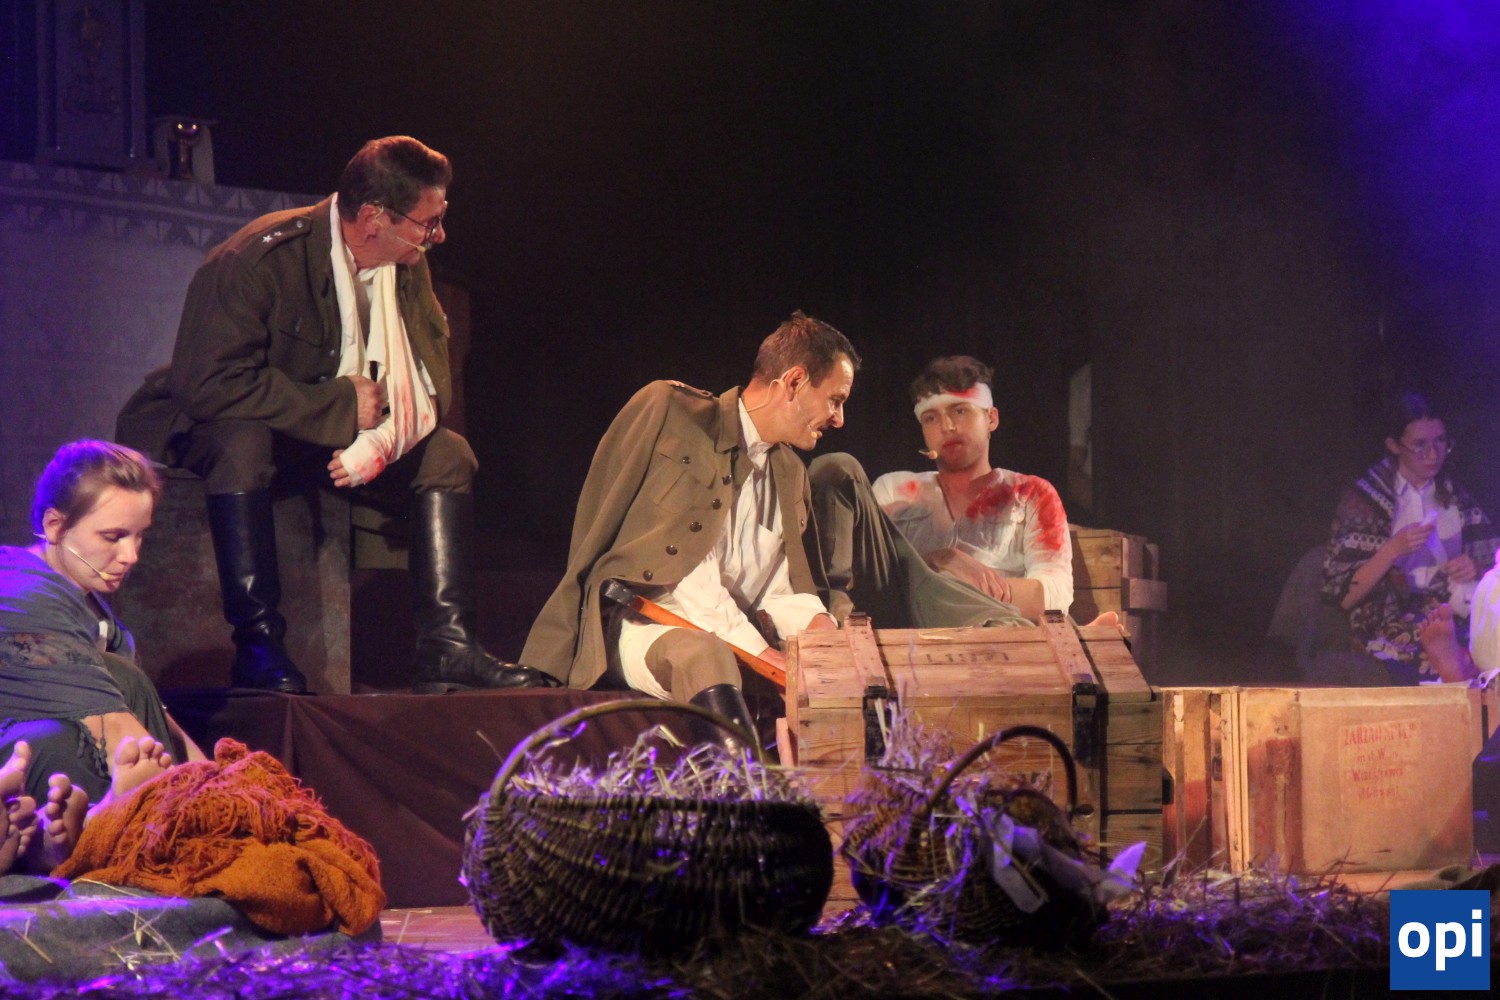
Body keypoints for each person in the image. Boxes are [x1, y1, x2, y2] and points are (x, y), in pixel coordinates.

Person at [115, 136, 555, 695]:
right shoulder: (258, 259)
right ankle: (258, 645)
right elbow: (208, 385)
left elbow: (428, 383)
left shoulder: (405, 265)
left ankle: (446, 648)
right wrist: (340, 407)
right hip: (217, 424)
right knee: (244, 443)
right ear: (373, 217)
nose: (438, 236)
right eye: (428, 223)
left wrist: (381, 440)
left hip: (330, 438)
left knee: (448, 456)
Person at [520, 312, 860, 749]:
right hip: (644, 621)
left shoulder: (790, 472)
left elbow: (775, 590)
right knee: (705, 653)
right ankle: (742, 788)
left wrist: (818, 630)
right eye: (835, 400)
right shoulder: (675, 414)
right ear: (793, 382)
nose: (839, 419)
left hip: (734, 631)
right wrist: (765, 656)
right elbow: (687, 578)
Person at [0, 441, 206, 869]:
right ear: (55, 525)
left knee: (126, 678)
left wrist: (219, 781)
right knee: (51, 740)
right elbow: (119, 732)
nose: (131, 556)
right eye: (113, 537)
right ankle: (96, 830)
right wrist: (200, 808)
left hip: (83, 761)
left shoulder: (96, 612)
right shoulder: (22, 589)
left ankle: (92, 830)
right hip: (17, 763)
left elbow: (159, 724)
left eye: (139, 535)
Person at [807, 356, 1067, 628]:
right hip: (905, 629)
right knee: (838, 468)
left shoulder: (1029, 493)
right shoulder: (894, 489)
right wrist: (940, 560)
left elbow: (1055, 596)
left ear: (991, 418)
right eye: (931, 418)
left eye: (960, 411)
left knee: (1005, 626)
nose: (947, 427)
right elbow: (868, 573)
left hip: (993, 631)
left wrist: (965, 586)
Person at [1323, 392, 1498, 684]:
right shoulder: (1368, 500)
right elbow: (1343, 596)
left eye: (1440, 441)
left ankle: (1456, 663)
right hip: (1393, 617)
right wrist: (1393, 549)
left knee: (1491, 643)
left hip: (1455, 610)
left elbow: (1491, 560)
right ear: (1394, 445)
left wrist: (1474, 568)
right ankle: (1452, 665)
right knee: (1431, 653)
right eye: (1420, 444)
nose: (1433, 454)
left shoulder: (1455, 495)